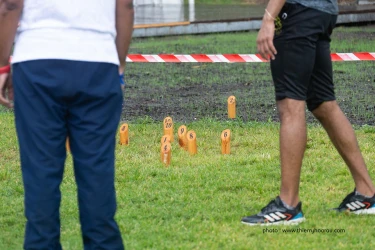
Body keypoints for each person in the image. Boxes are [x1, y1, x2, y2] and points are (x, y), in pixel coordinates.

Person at [0, 0, 134, 248]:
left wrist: (1, 66)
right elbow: (125, 5)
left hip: (38, 62)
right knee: (97, 173)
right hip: (98, 62)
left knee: (41, 174)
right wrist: (119, 64)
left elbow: (10, 4)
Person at [241, 0, 375, 226]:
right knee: (323, 103)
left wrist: (268, 17)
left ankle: (288, 205)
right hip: (322, 12)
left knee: (290, 106)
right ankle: (367, 194)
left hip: (298, 13)